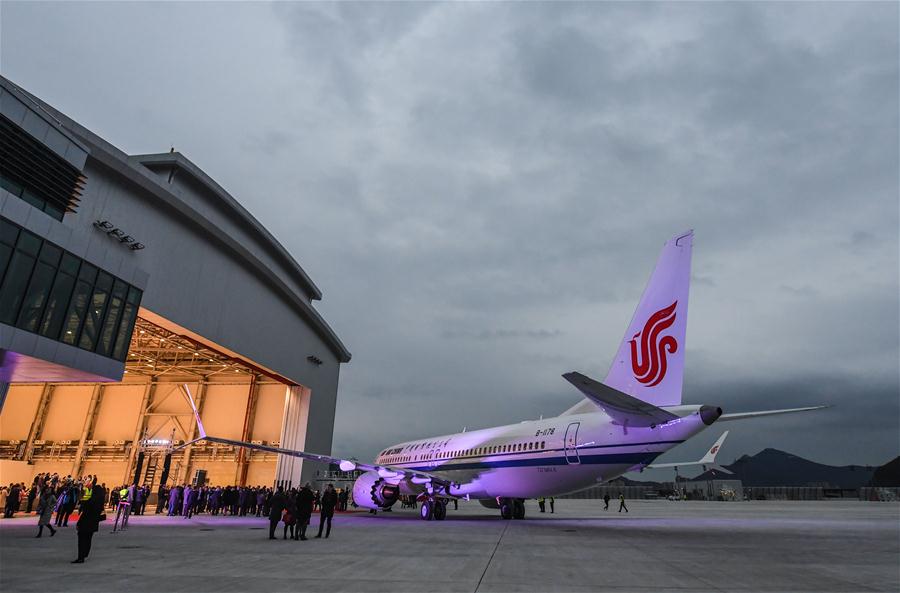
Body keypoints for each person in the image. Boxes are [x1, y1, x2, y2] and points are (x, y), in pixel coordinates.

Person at [73, 476, 105, 564]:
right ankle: (85, 554)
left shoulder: (90, 503)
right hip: (93, 522)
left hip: (86, 522)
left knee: (82, 539)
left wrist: (79, 523)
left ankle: (81, 557)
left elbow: (85, 513)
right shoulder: (99, 502)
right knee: (88, 538)